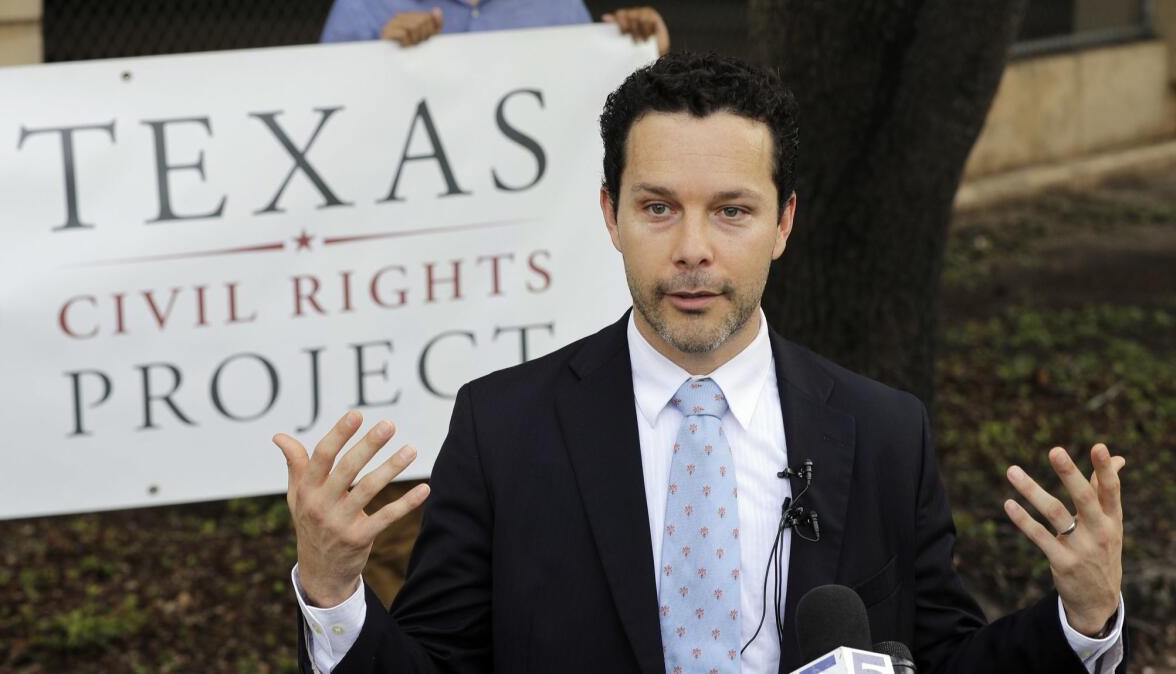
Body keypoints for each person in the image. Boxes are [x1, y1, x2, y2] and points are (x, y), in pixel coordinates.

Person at [275, 53, 1128, 673]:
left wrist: (1083, 620)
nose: (691, 251)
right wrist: (334, 594)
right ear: (610, 215)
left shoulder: (881, 430)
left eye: (731, 211)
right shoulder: (504, 428)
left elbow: (939, 659)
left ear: (784, 224)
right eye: (657, 208)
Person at [321, 0, 670, 54]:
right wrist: (378, 58)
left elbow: (595, 117)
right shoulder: (363, 7)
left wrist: (644, 57)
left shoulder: (558, 7)